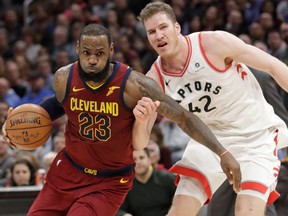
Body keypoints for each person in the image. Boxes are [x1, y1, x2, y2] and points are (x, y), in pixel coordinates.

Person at [3, 23, 240, 216]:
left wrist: (222, 153)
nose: (92, 60)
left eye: (99, 53)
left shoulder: (134, 86)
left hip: (108, 183)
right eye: (86, 53)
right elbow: (57, 104)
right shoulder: (64, 77)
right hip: (66, 171)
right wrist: (17, 130)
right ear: (77, 48)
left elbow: (184, 117)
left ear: (111, 50)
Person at [138, 2, 288, 216]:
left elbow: (273, 66)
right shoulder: (154, 79)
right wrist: (142, 121)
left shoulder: (212, 43)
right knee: (180, 210)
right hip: (210, 140)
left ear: (177, 28)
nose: (158, 35)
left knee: (247, 211)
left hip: (254, 135)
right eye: (152, 32)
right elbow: (142, 142)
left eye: (163, 27)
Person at [116, 148, 176, 216]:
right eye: (134, 159)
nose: (138, 162)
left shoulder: (168, 178)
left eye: (141, 158)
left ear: (149, 160)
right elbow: (118, 210)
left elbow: (181, 202)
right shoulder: (126, 185)